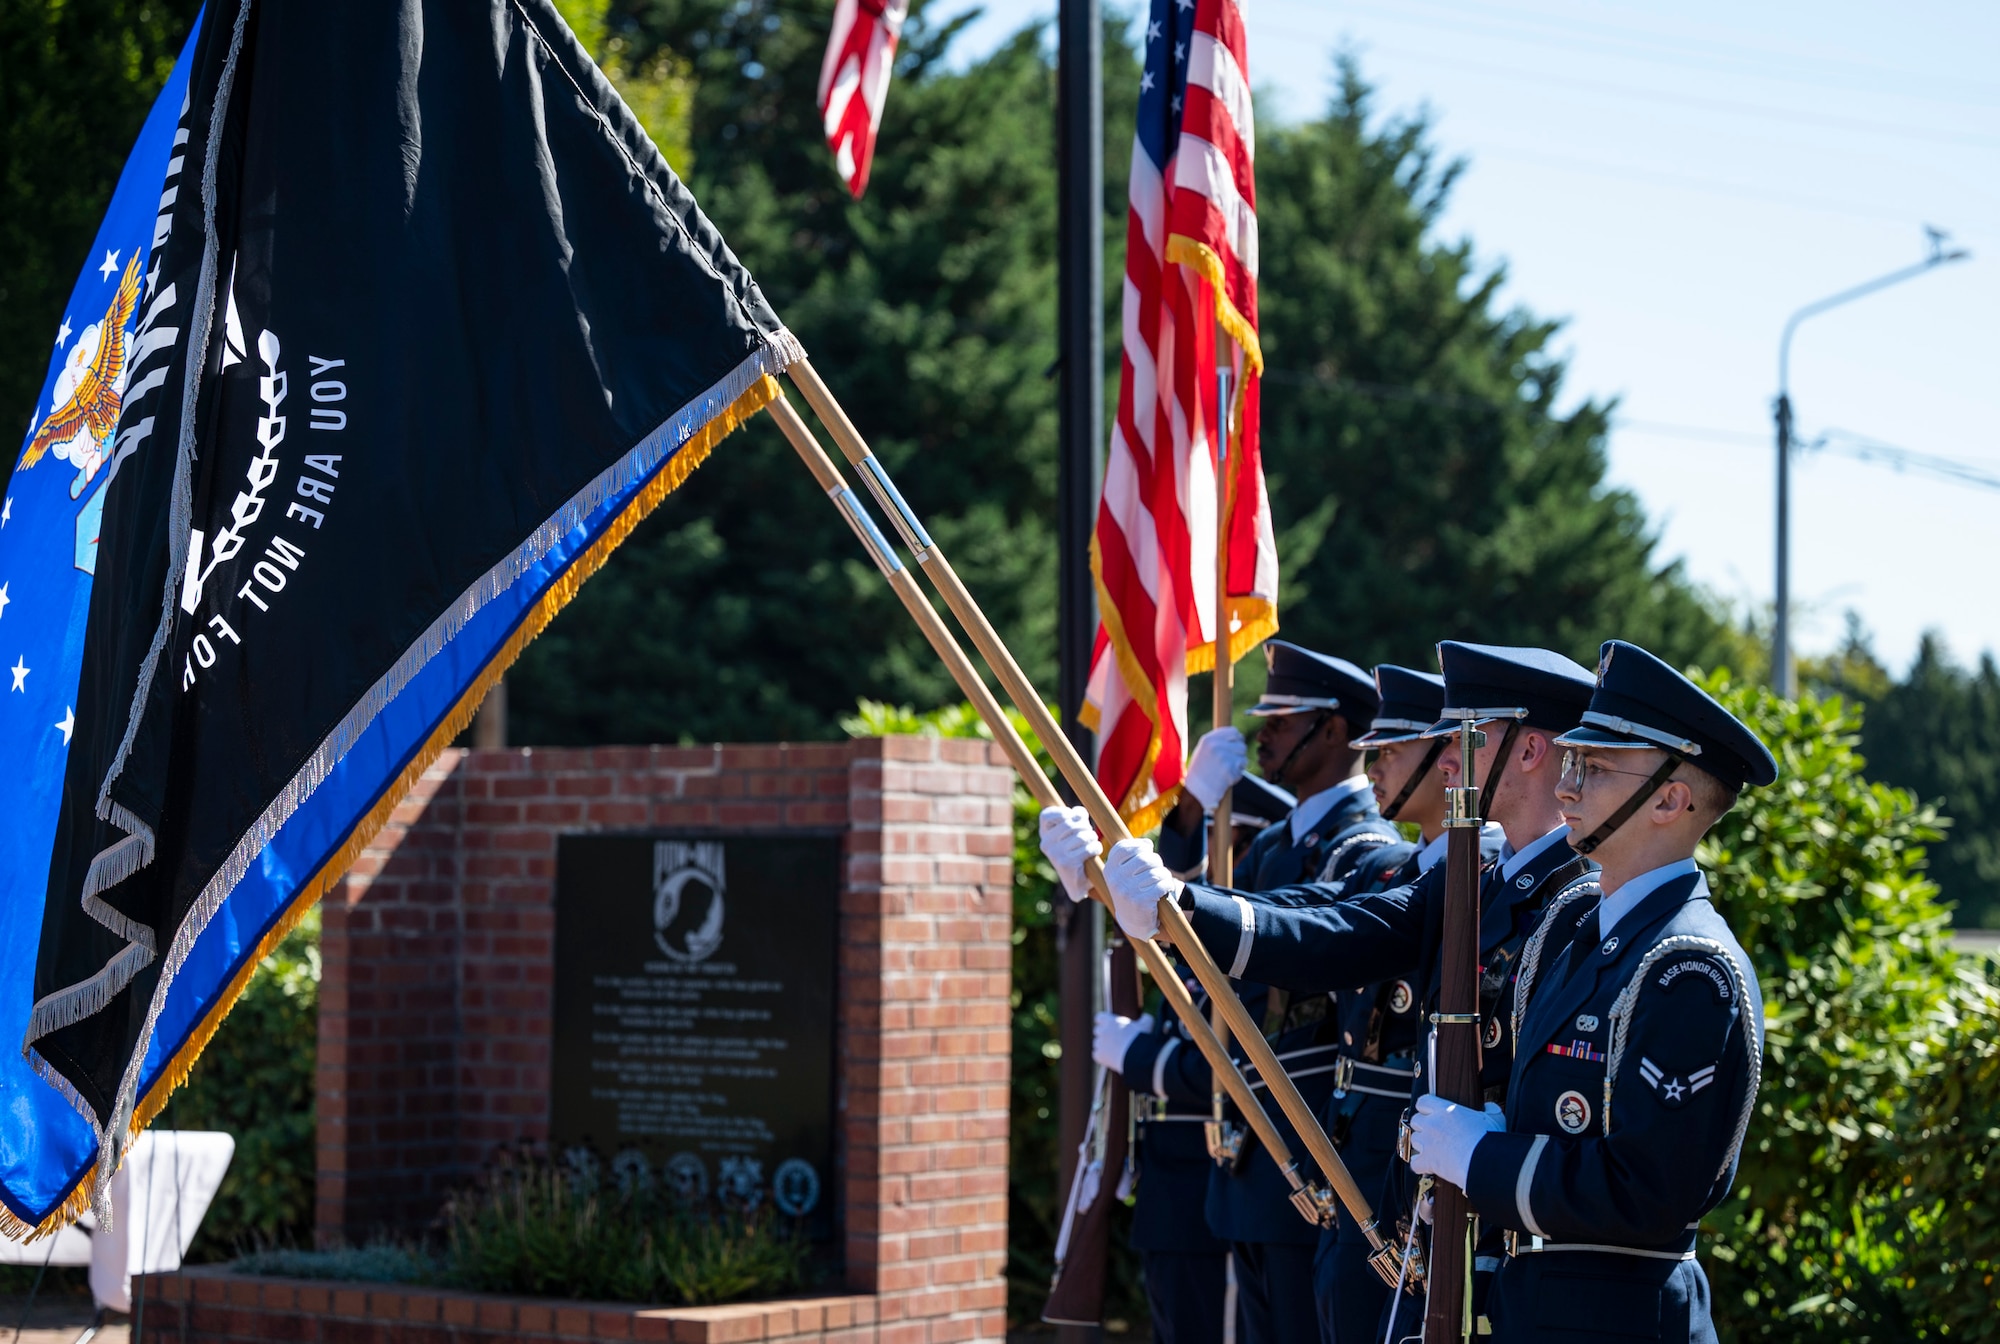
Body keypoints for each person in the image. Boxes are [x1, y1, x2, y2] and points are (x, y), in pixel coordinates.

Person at [1053, 642, 1600, 1336]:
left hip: (1498, 1234)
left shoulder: (1576, 899)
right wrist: (1179, 908)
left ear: (1529, 752)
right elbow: (1341, 927)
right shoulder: (1484, 878)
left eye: (1468, 735)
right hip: (1408, 1202)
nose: (1449, 754)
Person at [1405, 641, 1773, 1343]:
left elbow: (1647, 1193)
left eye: (1596, 769)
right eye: (1572, 763)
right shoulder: (1571, 925)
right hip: (1525, 1308)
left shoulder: (1688, 969)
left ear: (1670, 798)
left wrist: (1482, 1159)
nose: (1567, 788)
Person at [1057, 640, 1398, 1344]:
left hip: (1307, 1147)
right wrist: (1102, 876)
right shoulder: (1274, 847)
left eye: (1281, 721)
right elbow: (1188, 928)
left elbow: (1271, 950)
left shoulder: (1364, 846)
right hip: (1247, 1159)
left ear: (1332, 730)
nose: (1261, 734)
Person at [1062, 773, 1294, 1344]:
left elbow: (1224, 1071)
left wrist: (1139, 1054)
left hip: (1208, 1187)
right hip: (1168, 1189)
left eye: (1222, 848)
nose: (1200, 868)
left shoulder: (1245, 954)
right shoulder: (1193, 956)